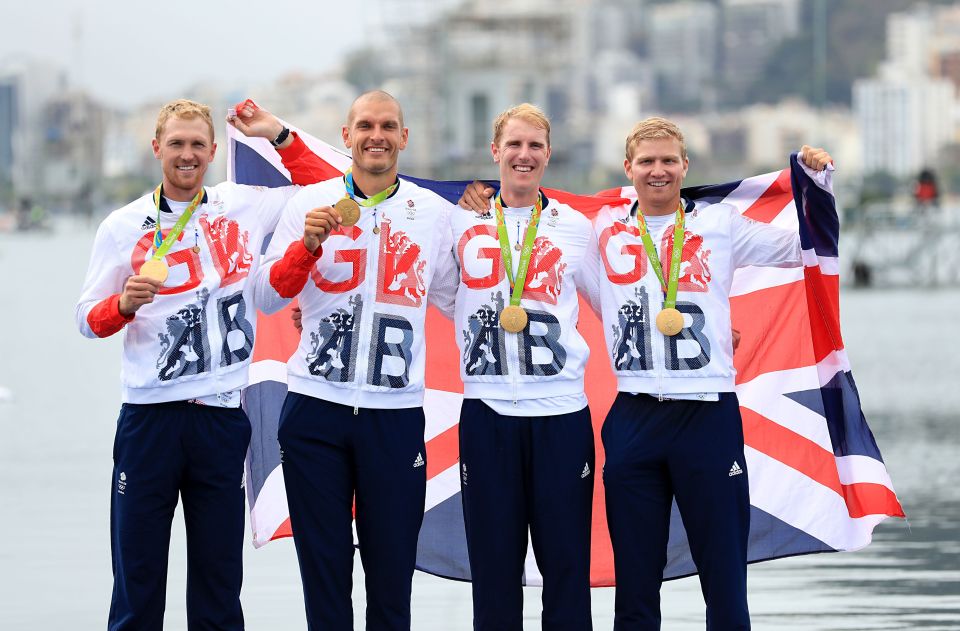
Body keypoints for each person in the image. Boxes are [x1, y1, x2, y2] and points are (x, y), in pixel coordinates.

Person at [460, 116, 832, 630]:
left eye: (668, 161)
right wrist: (473, 199)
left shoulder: (720, 225)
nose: (658, 171)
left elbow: (806, 249)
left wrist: (816, 182)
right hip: (634, 418)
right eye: (647, 162)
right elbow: (544, 279)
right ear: (628, 169)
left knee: (724, 580)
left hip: (707, 418)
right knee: (635, 587)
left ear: (685, 166)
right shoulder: (601, 233)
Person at [75, 98, 328, 631]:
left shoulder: (242, 204)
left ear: (213, 151)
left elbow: (327, 187)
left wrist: (276, 133)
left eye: (196, 145)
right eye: (176, 144)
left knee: (218, 583)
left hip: (220, 417)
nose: (187, 155)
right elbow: (86, 320)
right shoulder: (122, 227)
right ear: (156, 149)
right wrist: (121, 305)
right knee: (137, 580)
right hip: (150, 420)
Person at [252, 90, 454, 630]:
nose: (376, 135)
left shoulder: (434, 214)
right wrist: (305, 250)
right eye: (365, 125)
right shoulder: (306, 205)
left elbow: (462, 301)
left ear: (404, 137)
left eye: (388, 125)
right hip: (316, 410)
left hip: (394, 416)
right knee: (325, 574)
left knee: (391, 576)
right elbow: (266, 296)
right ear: (347, 136)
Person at [439, 103, 600, 630]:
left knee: (567, 568)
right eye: (514, 145)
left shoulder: (576, 227)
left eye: (534, 146)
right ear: (495, 152)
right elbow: (435, 291)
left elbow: (621, 299)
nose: (523, 155)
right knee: (493, 569)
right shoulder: (460, 222)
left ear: (548, 155)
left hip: (560, 415)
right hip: (487, 415)